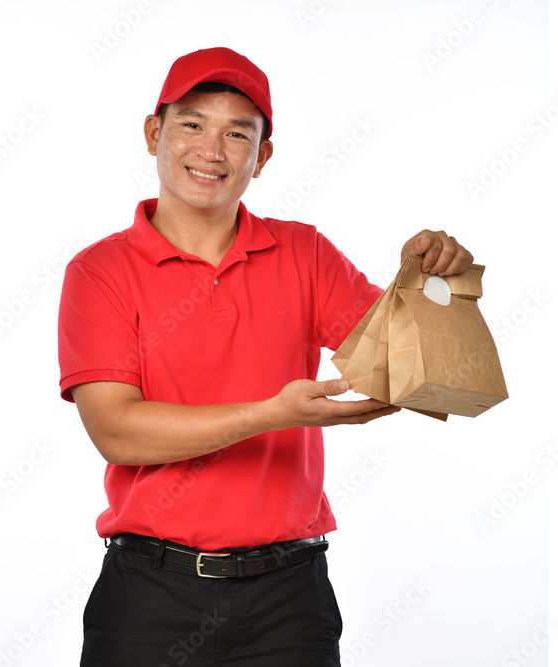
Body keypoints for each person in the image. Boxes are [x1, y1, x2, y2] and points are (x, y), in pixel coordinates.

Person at [58, 46, 474, 666]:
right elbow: (118, 431)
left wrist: (431, 287)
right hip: (150, 595)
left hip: (289, 599)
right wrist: (271, 414)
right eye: (192, 124)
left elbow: (422, 370)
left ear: (263, 155)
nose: (212, 150)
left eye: (237, 133)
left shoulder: (304, 254)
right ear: (154, 133)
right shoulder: (101, 272)